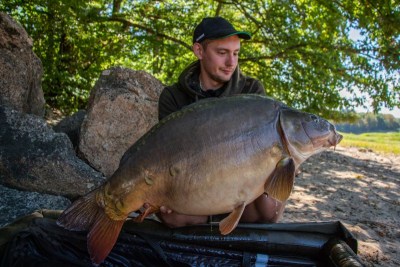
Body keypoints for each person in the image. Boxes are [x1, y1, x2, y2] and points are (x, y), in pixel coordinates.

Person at [156, 16, 286, 228]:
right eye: (222, 53)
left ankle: (220, 219)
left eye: (236, 53)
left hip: (242, 182)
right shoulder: (173, 96)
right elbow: (169, 158)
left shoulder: (252, 91)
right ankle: (215, 220)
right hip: (197, 185)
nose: (231, 63)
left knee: (270, 209)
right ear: (199, 51)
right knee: (170, 216)